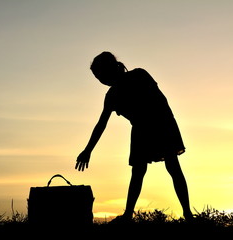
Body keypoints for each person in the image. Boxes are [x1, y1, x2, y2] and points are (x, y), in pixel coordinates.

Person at [75, 51, 193, 221]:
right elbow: (101, 124)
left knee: (172, 167)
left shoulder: (139, 75)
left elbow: (160, 100)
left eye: (100, 76)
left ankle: (187, 213)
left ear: (108, 70)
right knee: (138, 172)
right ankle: (128, 214)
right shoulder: (112, 96)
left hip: (161, 124)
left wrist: (162, 123)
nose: (100, 81)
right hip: (141, 130)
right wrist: (88, 150)